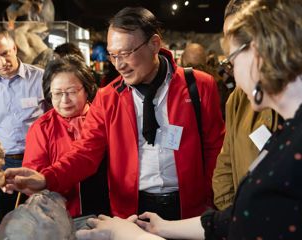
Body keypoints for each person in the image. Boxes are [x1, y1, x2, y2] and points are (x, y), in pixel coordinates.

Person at [75, 0, 302, 239]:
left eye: (232, 58)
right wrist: (162, 228)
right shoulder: (288, 134)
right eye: (113, 55)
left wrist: (130, 235)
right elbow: (240, 218)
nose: (232, 71)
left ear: (260, 54)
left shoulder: (291, 144)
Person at [5, 7, 225, 221]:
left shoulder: (199, 86)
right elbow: (85, 153)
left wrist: (211, 199)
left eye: (126, 54)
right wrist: (46, 178)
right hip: (133, 211)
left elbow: (215, 148)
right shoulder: (108, 97)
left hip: (190, 208)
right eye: (113, 55)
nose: (119, 65)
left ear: (154, 44)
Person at [0, 25, 45, 228]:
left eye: (4, 53)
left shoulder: (40, 77)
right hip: (3, 165)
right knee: (6, 221)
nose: (1, 62)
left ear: (14, 47)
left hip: (39, 162)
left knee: (41, 221)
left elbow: (55, 120)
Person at [212, 0, 280, 210]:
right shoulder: (238, 98)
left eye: (239, 44)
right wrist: (235, 217)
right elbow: (225, 165)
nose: (231, 62)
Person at [22, 55, 109, 217]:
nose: (65, 100)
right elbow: (35, 176)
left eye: (71, 92)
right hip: (64, 215)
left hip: (110, 212)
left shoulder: (105, 119)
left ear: (87, 89)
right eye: (57, 93)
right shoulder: (41, 128)